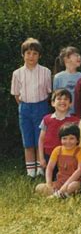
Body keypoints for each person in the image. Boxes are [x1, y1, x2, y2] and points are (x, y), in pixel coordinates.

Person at [11, 38, 51, 178]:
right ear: (23, 55)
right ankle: (31, 172)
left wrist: (39, 106)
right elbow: (16, 94)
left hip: (41, 107)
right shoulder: (17, 73)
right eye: (28, 53)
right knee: (28, 141)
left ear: (39, 55)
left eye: (34, 53)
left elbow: (48, 92)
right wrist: (25, 107)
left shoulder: (46, 72)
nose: (31, 56)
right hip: (25, 108)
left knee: (41, 139)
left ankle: (41, 168)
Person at [35, 123, 81, 198]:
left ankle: (57, 195)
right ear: (60, 139)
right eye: (64, 138)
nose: (68, 142)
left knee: (73, 186)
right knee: (39, 187)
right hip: (60, 182)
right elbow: (49, 168)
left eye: (71, 138)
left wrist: (65, 186)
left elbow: (80, 170)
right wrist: (49, 184)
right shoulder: (57, 150)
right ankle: (61, 195)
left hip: (74, 181)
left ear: (77, 139)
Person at [38, 89, 80, 170]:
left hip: (69, 155)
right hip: (49, 155)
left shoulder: (75, 121)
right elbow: (41, 139)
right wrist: (41, 158)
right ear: (53, 103)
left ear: (70, 103)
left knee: (65, 178)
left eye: (66, 99)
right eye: (59, 99)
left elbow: (79, 141)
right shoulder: (46, 119)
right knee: (52, 178)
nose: (62, 101)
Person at [52, 46, 81, 114]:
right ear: (66, 59)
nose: (79, 57)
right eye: (76, 55)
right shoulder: (58, 77)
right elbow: (55, 98)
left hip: (78, 114)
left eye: (79, 55)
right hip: (62, 114)